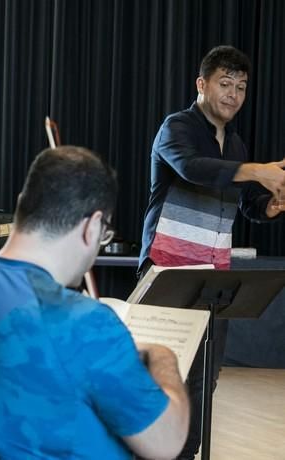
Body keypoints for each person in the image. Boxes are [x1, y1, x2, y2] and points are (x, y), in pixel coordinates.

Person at [0, 146, 190, 460]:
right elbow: (167, 442)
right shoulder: (86, 323)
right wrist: (163, 357)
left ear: (22, 207)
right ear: (92, 227)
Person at [138, 45, 285, 459]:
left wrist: (270, 205)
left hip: (214, 278)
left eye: (241, 87)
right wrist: (258, 170)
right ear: (202, 84)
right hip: (168, 272)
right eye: (225, 84)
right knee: (162, 378)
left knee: (205, 380)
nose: (233, 95)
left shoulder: (235, 144)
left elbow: (244, 204)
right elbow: (192, 168)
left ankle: (186, 455)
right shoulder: (177, 127)